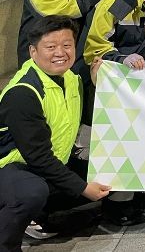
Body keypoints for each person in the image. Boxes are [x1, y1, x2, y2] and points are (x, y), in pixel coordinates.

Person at [0, 16, 111, 249]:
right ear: (33, 51)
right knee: (30, 193)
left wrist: (94, 85)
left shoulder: (71, 79)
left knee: (108, 170)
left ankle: (36, 216)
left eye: (67, 45)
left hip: (41, 165)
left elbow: (82, 120)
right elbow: (38, 157)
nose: (60, 52)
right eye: (50, 47)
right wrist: (82, 188)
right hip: (10, 168)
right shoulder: (23, 93)